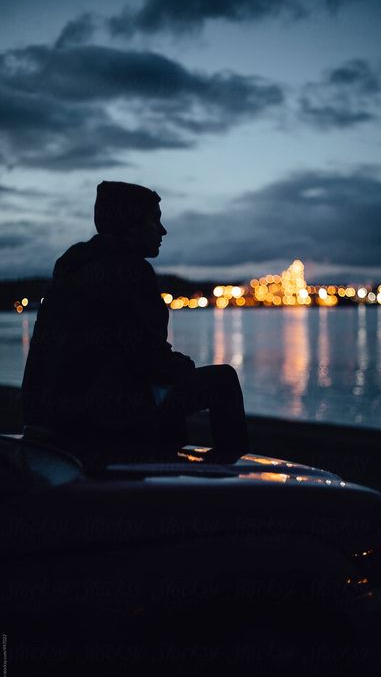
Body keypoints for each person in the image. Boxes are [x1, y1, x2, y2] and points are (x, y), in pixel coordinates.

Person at [21, 180, 249, 464]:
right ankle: (231, 480)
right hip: (99, 418)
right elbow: (149, 360)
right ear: (130, 223)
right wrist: (184, 366)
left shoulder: (70, 270)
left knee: (161, 392)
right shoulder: (130, 270)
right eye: (155, 220)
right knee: (222, 380)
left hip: (49, 416)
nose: (163, 230)